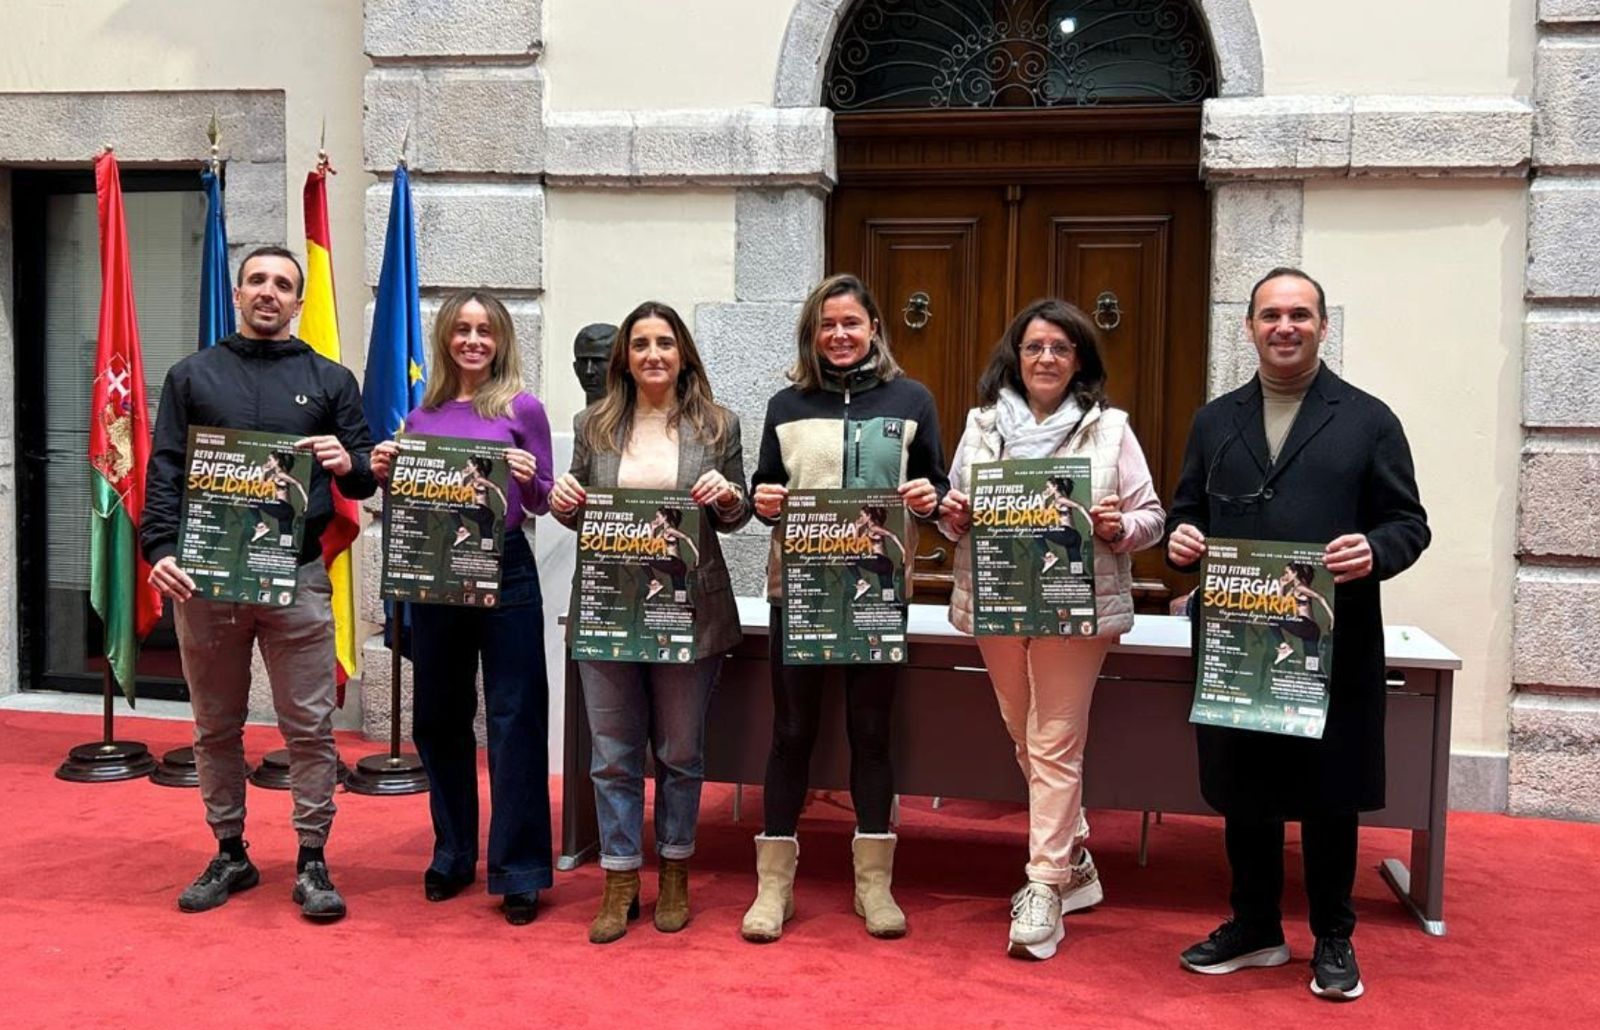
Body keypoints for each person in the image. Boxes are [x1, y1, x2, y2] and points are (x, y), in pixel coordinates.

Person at [1166, 267, 1430, 1001]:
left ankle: (1333, 936)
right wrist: (1184, 541)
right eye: (1272, 315)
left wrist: (1375, 551)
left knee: (1327, 794)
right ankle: (1255, 926)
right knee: (1244, 789)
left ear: (1322, 326)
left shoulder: (1369, 419)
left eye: (1301, 315)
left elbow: (1410, 524)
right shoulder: (1214, 420)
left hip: (1333, 643)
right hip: (1238, 640)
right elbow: (1188, 513)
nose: (1286, 327)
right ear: (1248, 327)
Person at [142, 245, 378, 921]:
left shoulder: (330, 379)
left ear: (299, 302)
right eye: (257, 281)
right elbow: (164, 471)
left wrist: (347, 461)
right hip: (207, 579)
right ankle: (229, 851)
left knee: (309, 727)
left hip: (298, 578)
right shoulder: (192, 376)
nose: (269, 291)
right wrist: (158, 547)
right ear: (238, 293)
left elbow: (363, 475)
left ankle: (311, 859)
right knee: (216, 726)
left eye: (282, 283)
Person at [938, 298, 1165, 960]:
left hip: (1076, 606)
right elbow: (956, 517)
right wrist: (952, 514)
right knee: (1024, 733)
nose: (1046, 359)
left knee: (1055, 739)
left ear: (1078, 362)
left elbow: (1149, 515)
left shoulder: (1111, 430)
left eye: (1061, 349)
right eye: (1035, 347)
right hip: (999, 601)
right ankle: (1077, 861)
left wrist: (1122, 527)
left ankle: (1043, 884)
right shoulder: (982, 426)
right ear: (1016, 356)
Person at [742, 273, 948, 943]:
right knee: (792, 733)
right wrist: (762, 500)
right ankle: (774, 886)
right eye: (827, 324)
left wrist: (928, 499)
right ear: (812, 333)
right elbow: (763, 490)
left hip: (877, 595)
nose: (839, 335)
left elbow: (940, 493)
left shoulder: (912, 399)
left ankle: (874, 884)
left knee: (870, 732)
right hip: (795, 590)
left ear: (873, 330)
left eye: (851, 323)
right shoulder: (785, 403)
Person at [550, 301, 749, 943]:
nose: (653, 354)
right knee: (611, 756)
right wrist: (562, 501)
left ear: (683, 352)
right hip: (609, 605)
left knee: (680, 753)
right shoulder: (594, 424)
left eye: (665, 342)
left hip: (687, 610)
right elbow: (578, 508)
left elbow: (736, 513)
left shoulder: (719, 425)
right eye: (640, 344)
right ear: (625, 358)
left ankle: (677, 871)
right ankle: (619, 878)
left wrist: (728, 496)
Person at [369, 289, 555, 925]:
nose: (473, 340)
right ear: (447, 338)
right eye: (462, 329)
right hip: (436, 573)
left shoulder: (522, 409)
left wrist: (531, 477)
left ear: (501, 340)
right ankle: (452, 852)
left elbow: (542, 502)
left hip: (506, 570)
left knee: (516, 716)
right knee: (440, 718)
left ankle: (521, 868)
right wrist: (386, 468)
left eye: (485, 331)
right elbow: (405, 504)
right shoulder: (421, 417)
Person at [573, 322, 618, 406]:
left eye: (598, 361)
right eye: (583, 361)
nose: (589, 371)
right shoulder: (580, 418)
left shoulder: (641, 416)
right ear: (575, 368)